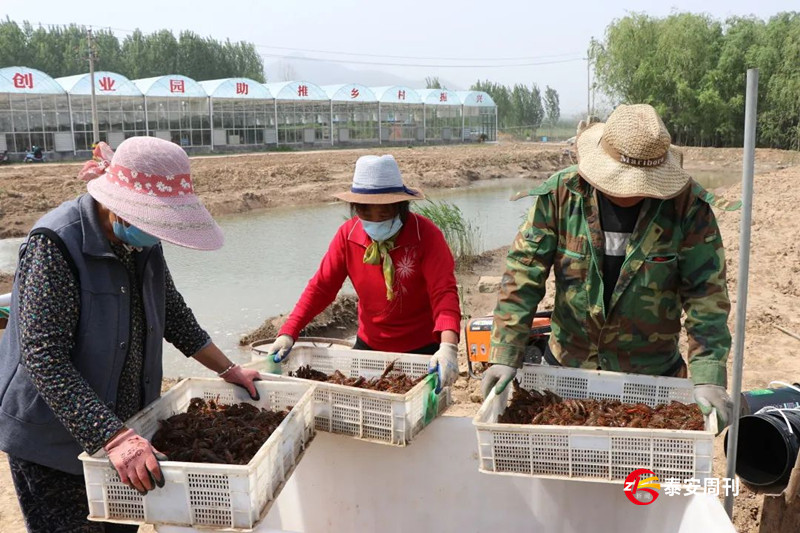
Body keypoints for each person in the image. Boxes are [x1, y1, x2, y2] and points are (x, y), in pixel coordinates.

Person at [0, 137, 262, 532]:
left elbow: (173, 314)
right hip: (53, 440)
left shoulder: (141, 243)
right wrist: (113, 436)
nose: (157, 232)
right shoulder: (55, 245)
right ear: (116, 202)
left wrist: (230, 370)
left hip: (126, 433)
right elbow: (43, 357)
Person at [483, 104, 736, 428]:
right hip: (567, 371)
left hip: (651, 378)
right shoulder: (561, 195)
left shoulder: (687, 208)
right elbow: (523, 273)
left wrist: (709, 374)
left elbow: (707, 295)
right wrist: (505, 353)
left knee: (643, 478)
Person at [266, 154, 461, 389]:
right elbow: (322, 287)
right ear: (354, 207)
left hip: (422, 348)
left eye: (384, 212)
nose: (375, 220)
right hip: (369, 345)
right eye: (365, 212)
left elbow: (444, 293)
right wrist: (288, 332)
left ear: (401, 206)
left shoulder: (426, 236)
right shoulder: (348, 235)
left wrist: (448, 346)